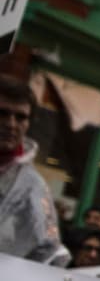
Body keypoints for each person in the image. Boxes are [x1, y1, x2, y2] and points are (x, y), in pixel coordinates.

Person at [0, 74, 67, 266]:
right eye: (2, 113)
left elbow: (49, 256)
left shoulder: (33, 188)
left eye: (20, 117)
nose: (11, 124)